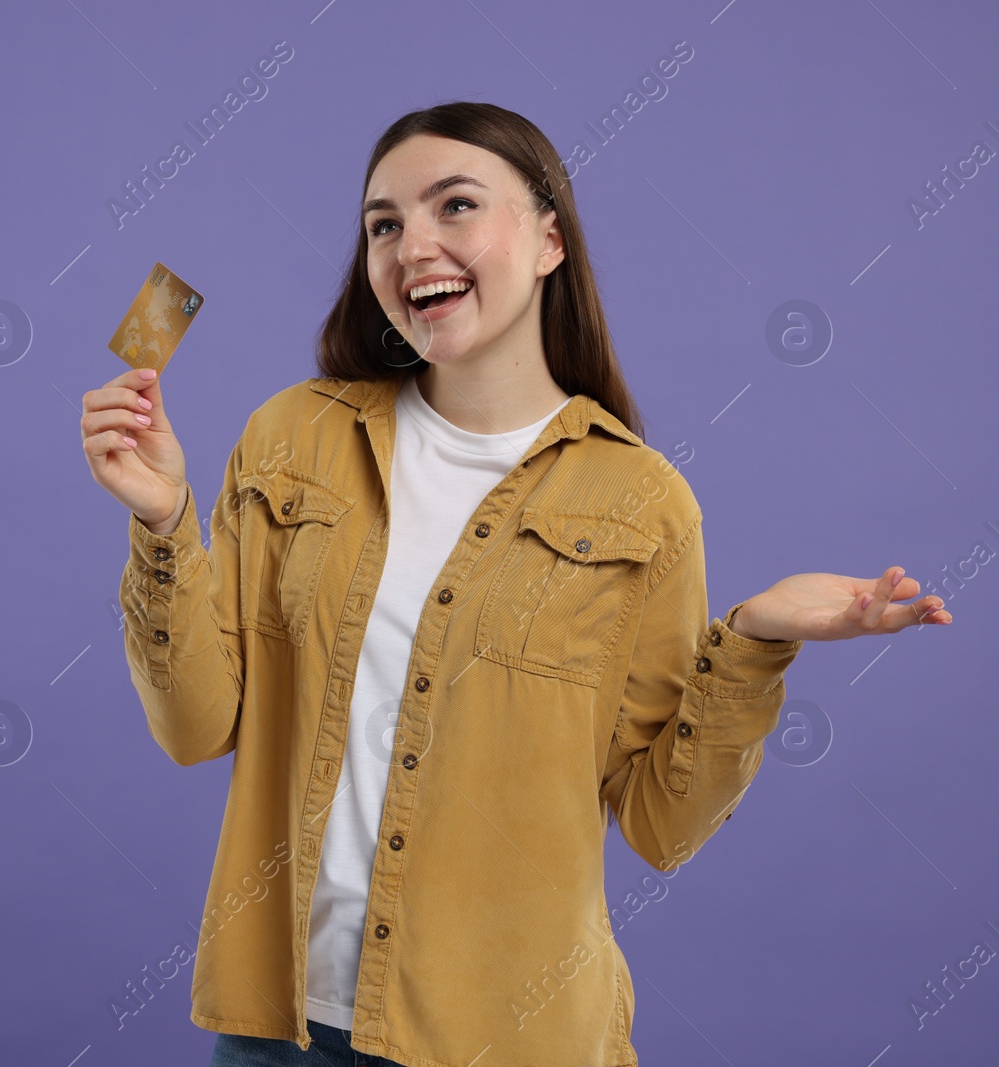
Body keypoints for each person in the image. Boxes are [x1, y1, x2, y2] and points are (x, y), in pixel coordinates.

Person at [80, 101, 952, 1067]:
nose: (414, 246)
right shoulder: (291, 440)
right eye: (384, 224)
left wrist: (752, 638)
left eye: (455, 206)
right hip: (280, 1029)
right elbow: (196, 724)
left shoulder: (641, 503)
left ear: (549, 241)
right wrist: (161, 520)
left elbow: (661, 824)